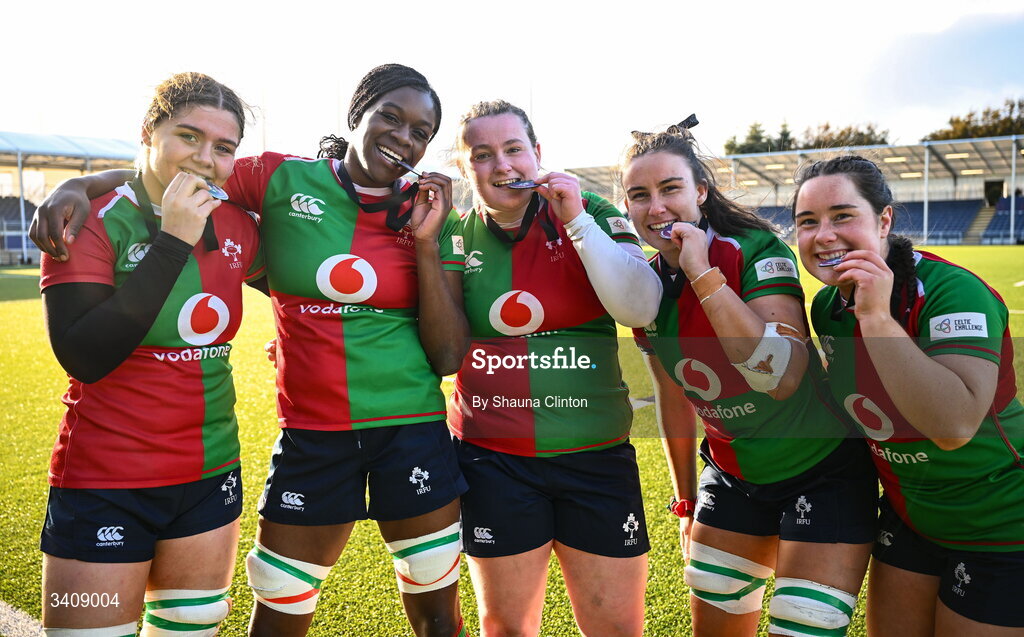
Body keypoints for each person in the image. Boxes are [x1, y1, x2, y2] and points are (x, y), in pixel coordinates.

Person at [33, 64, 470, 637]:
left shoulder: (429, 211)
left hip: (406, 429)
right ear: (356, 114)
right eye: (390, 116)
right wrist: (77, 185)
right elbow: (173, 171)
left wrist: (426, 244)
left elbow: (446, 357)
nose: (403, 136)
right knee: (280, 603)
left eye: (421, 130)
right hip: (309, 433)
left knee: (437, 607)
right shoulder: (276, 178)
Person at [620, 121, 878, 637]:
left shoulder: (755, 249)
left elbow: (779, 376)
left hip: (822, 470)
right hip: (733, 476)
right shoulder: (642, 286)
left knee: (800, 626)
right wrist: (686, 500)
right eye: (639, 195)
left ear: (701, 191)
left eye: (670, 189)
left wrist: (701, 272)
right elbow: (674, 394)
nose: (656, 208)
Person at [38, 72, 264, 636]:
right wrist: (172, 240)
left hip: (211, 476)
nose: (205, 158)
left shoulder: (235, 222)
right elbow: (84, 355)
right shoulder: (89, 218)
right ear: (148, 131)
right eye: (188, 136)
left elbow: (311, 288)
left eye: (224, 147)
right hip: (105, 480)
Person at [444, 99, 662, 636]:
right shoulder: (454, 233)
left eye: (515, 149)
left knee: (615, 628)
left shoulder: (588, 210)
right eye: (483, 155)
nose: (503, 166)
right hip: (494, 461)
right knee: (508, 628)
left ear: (538, 153)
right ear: (464, 167)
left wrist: (579, 223)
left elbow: (639, 307)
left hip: (596, 458)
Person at [794, 155, 1024, 636]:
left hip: (1000, 523)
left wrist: (877, 319)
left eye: (842, 216)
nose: (823, 236)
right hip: (909, 518)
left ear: (884, 220)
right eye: (807, 222)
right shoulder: (826, 306)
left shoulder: (952, 292)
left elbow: (954, 426)